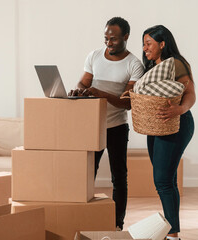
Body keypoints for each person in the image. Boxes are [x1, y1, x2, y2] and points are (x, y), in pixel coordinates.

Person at [69, 17, 144, 230]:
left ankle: (117, 224)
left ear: (126, 37)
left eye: (113, 39)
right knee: (86, 174)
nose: (108, 43)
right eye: (106, 38)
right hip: (93, 126)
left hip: (117, 128)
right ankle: (82, 219)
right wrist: (80, 90)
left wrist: (99, 92)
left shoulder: (134, 64)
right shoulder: (94, 56)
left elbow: (127, 103)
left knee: (119, 177)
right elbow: (84, 82)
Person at [141, 25, 196, 240]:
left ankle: (172, 235)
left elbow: (191, 93)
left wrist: (180, 109)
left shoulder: (177, 64)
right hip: (155, 127)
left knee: (162, 180)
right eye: (143, 43)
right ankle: (171, 232)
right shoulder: (152, 67)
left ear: (162, 44)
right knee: (166, 180)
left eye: (149, 43)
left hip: (177, 124)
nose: (145, 48)